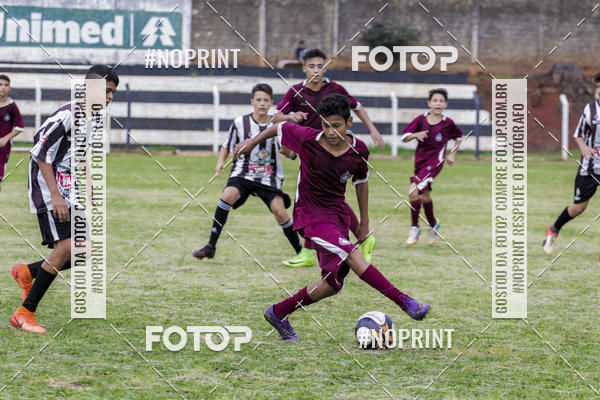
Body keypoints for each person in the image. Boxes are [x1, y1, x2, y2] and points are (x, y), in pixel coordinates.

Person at [234, 94, 430, 341]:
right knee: (351, 253)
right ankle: (405, 302)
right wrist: (252, 142)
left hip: (337, 216)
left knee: (332, 284)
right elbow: (280, 127)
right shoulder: (308, 139)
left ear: (349, 122)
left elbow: (361, 183)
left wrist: (364, 222)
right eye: (325, 125)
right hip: (309, 215)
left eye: (336, 125)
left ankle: (278, 312)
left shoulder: (359, 150)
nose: (330, 131)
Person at [10, 65, 119, 333]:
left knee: (85, 251)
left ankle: (26, 272)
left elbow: (77, 155)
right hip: (48, 188)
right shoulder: (68, 115)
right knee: (68, 247)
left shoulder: (94, 117)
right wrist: (55, 195)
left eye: (112, 93)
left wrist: (89, 184)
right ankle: (24, 313)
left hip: (69, 189)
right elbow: (40, 153)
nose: (109, 97)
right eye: (106, 91)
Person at [274, 48, 382, 267]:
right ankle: (355, 239)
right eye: (311, 66)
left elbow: (357, 107)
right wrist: (291, 116)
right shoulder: (295, 92)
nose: (316, 70)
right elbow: (276, 117)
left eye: (320, 66)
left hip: (334, 150)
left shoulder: (335, 89)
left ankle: (308, 252)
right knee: (325, 198)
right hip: (311, 150)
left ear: (325, 68)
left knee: (314, 198)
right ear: (303, 68)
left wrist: (372, 129)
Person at [193, 84, 302, 260]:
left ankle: (301, 252)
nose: (262, 103)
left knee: (280, 212)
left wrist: (287, 152)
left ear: (271, 102)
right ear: (252, 101)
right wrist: (220, 162)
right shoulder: (240, 122)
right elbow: (227, 145)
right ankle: (210, 246)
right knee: (227, 196)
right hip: (243, 173)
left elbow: (292, 155)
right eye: (258, 99)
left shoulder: (279, 126)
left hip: (268, 176)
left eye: (266, 100)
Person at [543, 72, 600, 255]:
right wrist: (583, 147)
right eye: (598, 86)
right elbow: (579, 134)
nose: (599, 89)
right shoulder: (590, 109)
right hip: (590, 166)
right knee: (579, 207)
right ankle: (554, 229)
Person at [401, 88, 463, 245]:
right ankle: (433, 224)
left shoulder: (448, 123)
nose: (438, 103)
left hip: (435, 163)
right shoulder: (421, 120)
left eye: (441, 101)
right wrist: (416, 135)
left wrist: (452, 154)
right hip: (420, 163)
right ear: (429, 103)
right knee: (425, 196)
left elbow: (459, 137)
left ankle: (414, 228)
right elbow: (405, 137)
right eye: (435, 100)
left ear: (446, 104)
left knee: (413, 191)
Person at [0, 74, 24, 192]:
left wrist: (5, 139)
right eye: (0, 84)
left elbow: (19, 127)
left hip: (3, 148)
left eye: (6, 85)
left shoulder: (12, 106)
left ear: (9, 88)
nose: (3, 87)